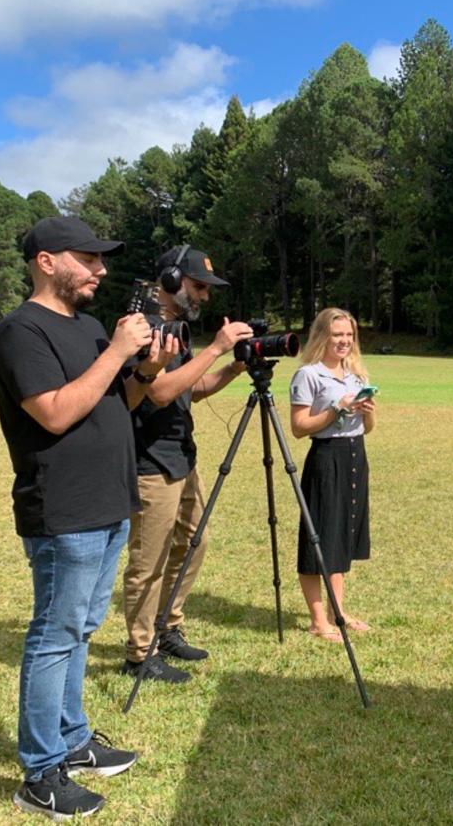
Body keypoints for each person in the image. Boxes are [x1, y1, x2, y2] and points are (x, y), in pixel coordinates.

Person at [0, 216, 175, 820]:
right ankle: (41, 772)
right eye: (88, 258)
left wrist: (144, 370)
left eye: (101, 259)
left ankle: (73, 740)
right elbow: (53, 412)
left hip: (108, 502)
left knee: (80, 628)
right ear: (47, 262)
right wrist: (119, 351)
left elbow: (116, 400)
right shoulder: (21, 330)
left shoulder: (92, 326)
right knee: (55, 634)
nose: (100, 269)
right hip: (63, 509)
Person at [120, 247, 254, 683]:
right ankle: (140, 654)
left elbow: (189, 388)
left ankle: (167, 627)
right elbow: (159, 392)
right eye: (199, 287)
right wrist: (216, 348)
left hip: (182, 455)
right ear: (172, 280)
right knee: (149, 561)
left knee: (194, 542)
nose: (205, 297)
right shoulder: (141, 328)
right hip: (149, 461)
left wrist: (232, 368)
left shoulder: (177, 328)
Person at [288, 308, 378, 642]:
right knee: (319, 538)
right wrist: (337, 408)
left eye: (349, 335)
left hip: (355, 455)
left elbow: (368, 428)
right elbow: (299, 428)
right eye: (337, 334)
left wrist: (367, 411)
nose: (344, 341)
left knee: (341, 535)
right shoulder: (308, 375)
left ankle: (337, 612)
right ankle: (317, 621)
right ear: (322, 336)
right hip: (326, 458)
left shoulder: (356, 375)